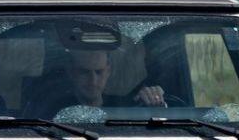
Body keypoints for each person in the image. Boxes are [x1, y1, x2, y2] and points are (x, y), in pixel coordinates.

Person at [26, 49, 166, 118]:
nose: (93, 80)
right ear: (71, 72)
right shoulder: (51, 110)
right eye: (84, 72)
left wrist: (156, 104)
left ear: (108, 71)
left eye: (99, 72)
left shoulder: (125, 106)